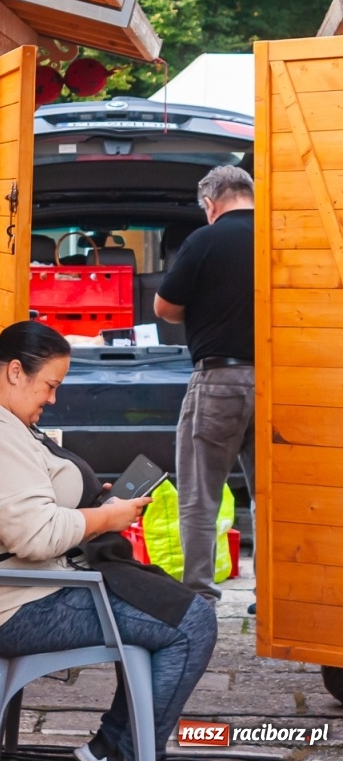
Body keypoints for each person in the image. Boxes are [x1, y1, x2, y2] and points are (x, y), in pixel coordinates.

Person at [0, 321, 215, 761]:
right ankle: (127, 751)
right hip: (26, 608)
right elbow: (36, 534)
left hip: (43, 585)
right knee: (192, 624)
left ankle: (111, 747)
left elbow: (30, 503)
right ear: (14, 372)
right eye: (49, 385)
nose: (52, 398)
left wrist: (89, 504)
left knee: (172, 606)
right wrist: (103, 518)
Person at [153, 165, 255, 599]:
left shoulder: (204, 240)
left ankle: (199, 597)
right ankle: (271, 596)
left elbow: (164, 308)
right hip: (281, 381)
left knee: (200, 495)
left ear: (211, 205)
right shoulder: (281, 234)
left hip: (218, 379)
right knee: (273, 496)